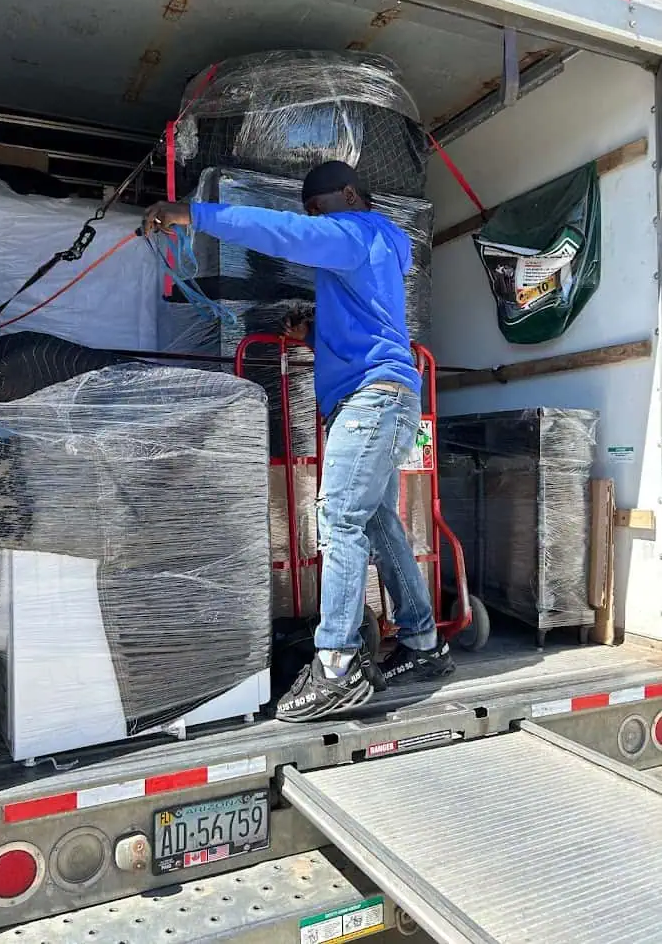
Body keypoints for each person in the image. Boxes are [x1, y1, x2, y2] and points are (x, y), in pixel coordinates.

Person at [145, 160, 454, 723]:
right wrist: (312, 332)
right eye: (310, 211)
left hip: (370, 400)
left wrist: (193, 213)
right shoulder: (383, 248)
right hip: (389, 396)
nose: (313, 218)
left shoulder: (355, 232)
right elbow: (366, 320)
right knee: (378, 522)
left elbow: (281, 231)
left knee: (337, 521)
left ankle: (336, 666)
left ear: (350, 194)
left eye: (318, 208)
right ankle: (424, 642)